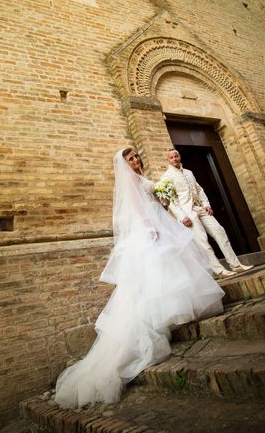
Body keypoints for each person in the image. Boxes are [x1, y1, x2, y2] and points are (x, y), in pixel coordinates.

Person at [54, 147, 225, 409]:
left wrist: (165, 201)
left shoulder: (142, 177)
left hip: (159, 221)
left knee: (169, 269)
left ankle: (175, 312)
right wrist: (150, 227)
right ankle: (161, 319)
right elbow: (136, 208)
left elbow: (156, 199)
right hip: (150, 228)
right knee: (157, 272)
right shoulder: (130, 181)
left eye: (136, 157)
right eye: (130, 158)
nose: (136, 160)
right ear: (124, 164)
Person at [161, 149, 253, 278]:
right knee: (203, 241)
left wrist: (206, 204)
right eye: (171, 157)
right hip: (188, 213)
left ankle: (235, 265)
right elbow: (170, 200)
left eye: (176, 156)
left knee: (219, 231)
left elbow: (199, 190)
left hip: (200, 208)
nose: (175, 158)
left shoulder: (189, 173)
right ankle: (219, 271)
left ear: (179, 156)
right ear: (168, 160)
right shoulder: (166, 177)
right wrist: (182, 217)